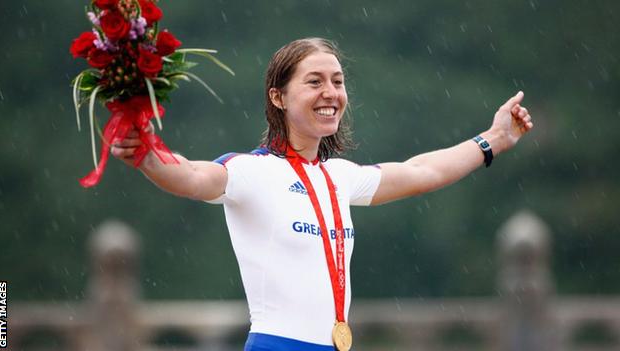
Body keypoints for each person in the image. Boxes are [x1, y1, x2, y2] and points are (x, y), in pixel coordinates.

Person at [111, 38, 533, 351]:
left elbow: (422, 170)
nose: (330, 93)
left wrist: (494, 138)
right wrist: (146, 152)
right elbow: (189, 177)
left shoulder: (340, 177)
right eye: (314, 82)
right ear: (278, 97)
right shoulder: (250, 171)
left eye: (337, 81)